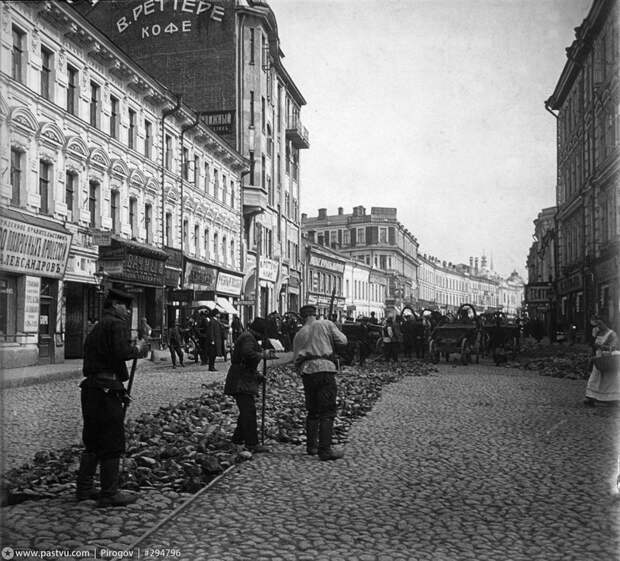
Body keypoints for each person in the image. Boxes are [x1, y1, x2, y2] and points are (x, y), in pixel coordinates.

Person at [76, 288, 149, 507]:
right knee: (111, 440)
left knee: (93, 440)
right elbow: (121, 352)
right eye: (125, 306)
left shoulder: (99, 326)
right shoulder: (116, 324)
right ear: (115, 305)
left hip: (92, 388)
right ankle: (109, 493)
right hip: (106, 389)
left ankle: (84, 489)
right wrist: (140, 344)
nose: (128, 311)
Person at [293, 304, 348, 461]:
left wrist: (302, 371)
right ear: (315, 314)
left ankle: (311, 446)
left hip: (307, 372)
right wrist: (334, 329)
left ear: (302, 317)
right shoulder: (325, 324)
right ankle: (325, 450)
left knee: (312, 410)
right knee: (327, 411)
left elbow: (295, 359)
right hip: (325, 369)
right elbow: (343, 341)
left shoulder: (299, 334)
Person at [224, 317, 273, 453]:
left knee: (246, 412)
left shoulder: (247, 336)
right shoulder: (248, 338)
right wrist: (262, 354)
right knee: (249, 412)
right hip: (241, 380)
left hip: (242, 378)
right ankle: (252, 443)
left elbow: (245, 359)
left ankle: (237, 440)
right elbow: (247, 354)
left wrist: (257, 374)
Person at [584, 315, 619, 406]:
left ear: (605, 323)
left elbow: (614, 346)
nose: (598, 326)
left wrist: (603, 347)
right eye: (597, 324)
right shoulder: (598, 333)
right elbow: (593, 345)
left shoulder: (612, 334)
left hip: (608, 358)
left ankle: (611, 398)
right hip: (598, 358)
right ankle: (591, 397)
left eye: (600, 323)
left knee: (609, 380)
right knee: (595, 378)